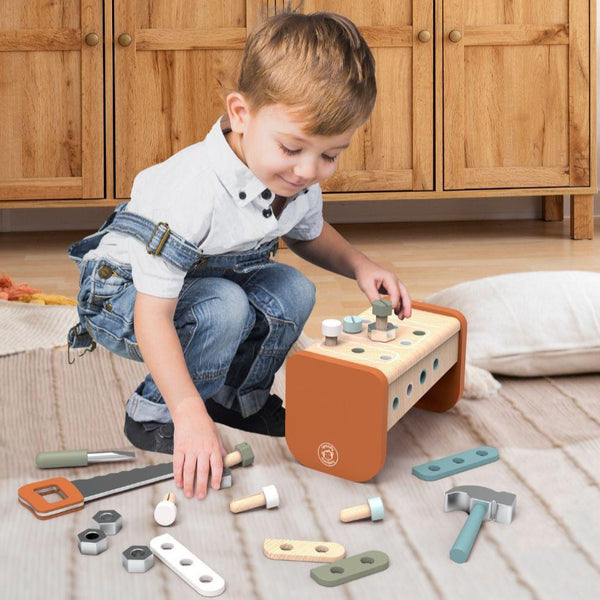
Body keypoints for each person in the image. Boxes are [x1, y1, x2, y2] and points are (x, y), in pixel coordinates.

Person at [66, 11, 411, 501]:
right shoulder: (194, 191)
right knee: (224, 306)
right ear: (241, 114)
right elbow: (152, 314)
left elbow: (308, 234)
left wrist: (361, 265)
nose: (308, 170)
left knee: (293, 287)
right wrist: (188, 413)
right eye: (292, 147)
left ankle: (235, 399)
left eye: (330, 155)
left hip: (205, 283)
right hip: (121, 296)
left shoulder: (294, 175)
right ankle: (154, 413)